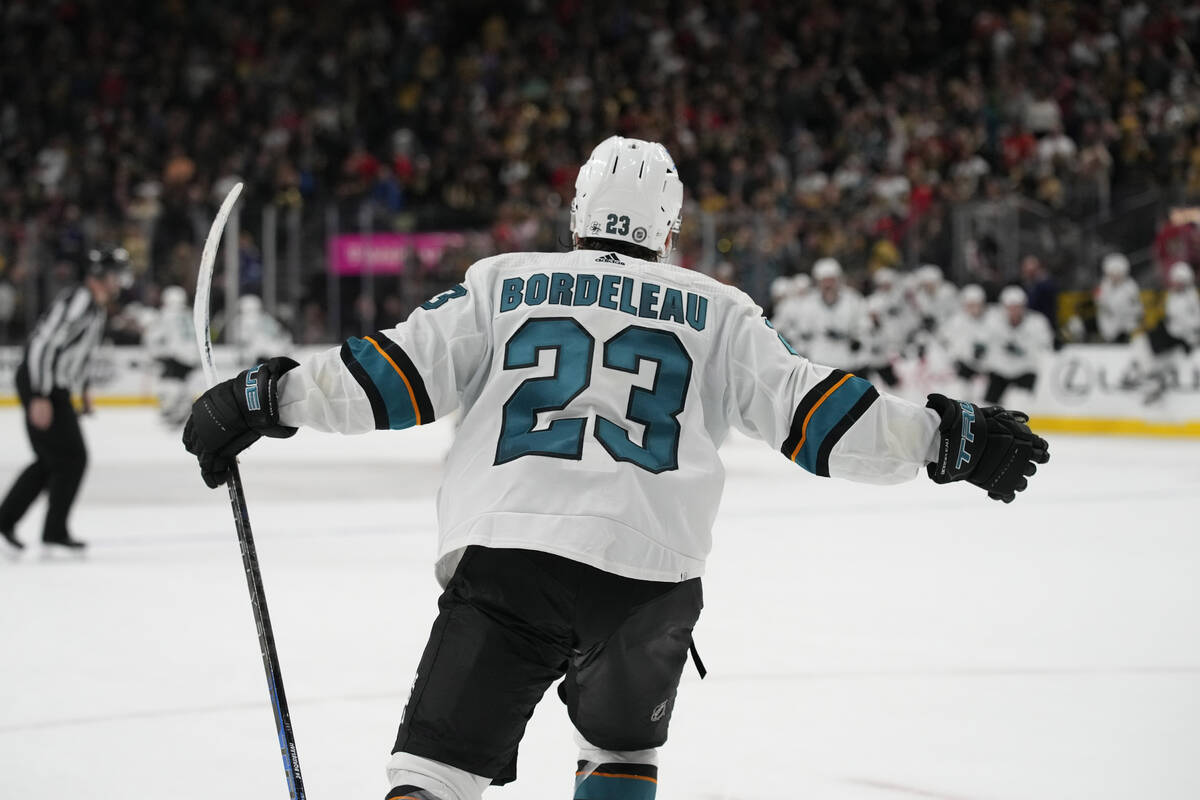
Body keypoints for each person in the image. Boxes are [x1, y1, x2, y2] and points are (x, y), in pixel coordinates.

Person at [182, 136, 1049, 800]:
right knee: (623, 750)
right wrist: (944, 438)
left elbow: (388, 379)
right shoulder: (719, 310)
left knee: (438, 771)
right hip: (648, 577)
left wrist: (267, 397)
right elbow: (817, 417)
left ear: (578, 209)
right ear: (668, 228)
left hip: (511, 555)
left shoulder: (502, 282)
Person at [0, 247, 128, 552]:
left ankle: (9, 520)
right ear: (101, 276)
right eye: (116, 274)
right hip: (42, 383)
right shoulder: (80, 301)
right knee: (72, 458)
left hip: (51, 385)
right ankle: (51, 529)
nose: (121, 281)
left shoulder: (93, 306)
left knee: (52, 460)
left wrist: (81, 388)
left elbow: (78, 354)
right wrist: (41, 394)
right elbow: (43, 346)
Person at [983, 285, 1055, 405]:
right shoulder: (992, 322)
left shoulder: (1037, 322)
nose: (1014, 311)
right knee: (988, 405)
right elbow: (983, 343)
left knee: (1021, 402)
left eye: (1017, 307)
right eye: (1010, 307)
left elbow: (1047, 345)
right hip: (1000, 370)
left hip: (1026, 370)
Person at [1143, 261, 1200, 404]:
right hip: (1174, 334)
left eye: (1180, 281)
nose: (1176, 283)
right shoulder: (1172, 295)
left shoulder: (1191, 297)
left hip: (1184, 337)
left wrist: (1189, 335)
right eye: (1175, 280)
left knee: (1169, 357)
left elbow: (1195, 321)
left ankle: (1158, 383)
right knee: (1153, 344)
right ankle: (1156, 382)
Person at [143, 285, 200, 427]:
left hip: (175, 355)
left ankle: (173, 411)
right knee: (181, 383)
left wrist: (154, 352)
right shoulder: (189, 314)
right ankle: (182, 408)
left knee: (167, 384)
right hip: (192, 356)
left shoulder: (165, 315)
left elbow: (153, 337)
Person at [1094, 252, 1143, 344]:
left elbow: (1137, 309)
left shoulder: (1131, 287)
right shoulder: (1103, 286)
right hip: (1108, 322)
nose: (1115, 277)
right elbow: (1099, 303)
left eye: (1118, 273)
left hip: (1126, 325)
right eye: (1112, 273)